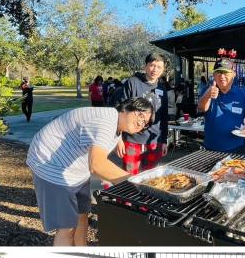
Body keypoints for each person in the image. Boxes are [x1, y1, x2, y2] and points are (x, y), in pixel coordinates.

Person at [26, 97, 154, 246]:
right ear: (125, 108)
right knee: (67, 227)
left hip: (76, 170)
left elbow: (97, 161)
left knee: (82, 216)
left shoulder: (116, 123)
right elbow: (98, 165)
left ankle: (81, 248)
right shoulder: (105, 122)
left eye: (146, 122)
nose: (141, 122)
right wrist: (136, 184)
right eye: (140, 114)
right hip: (51, 165)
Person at [111, 52, 170, 174]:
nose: (155, 69)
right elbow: (119, 111)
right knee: (129, 176)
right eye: (152, 65)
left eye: (159, 67)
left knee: (150, 178)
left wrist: (164, 140)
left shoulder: (162, 89)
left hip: (155, 141)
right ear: (145, 66)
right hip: (132, 139)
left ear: (163, 69)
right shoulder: (132, 82)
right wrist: (118, 139)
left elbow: (164, 116)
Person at [197, 57, 245, 152]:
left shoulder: (242, 94)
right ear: (214, 75)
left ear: (233, 74)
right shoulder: (208, 91)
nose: (222, 76)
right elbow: (201, 108)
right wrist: (207, 95)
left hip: (236, 148)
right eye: (219, 72)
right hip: (210, 149)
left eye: (225, 72)